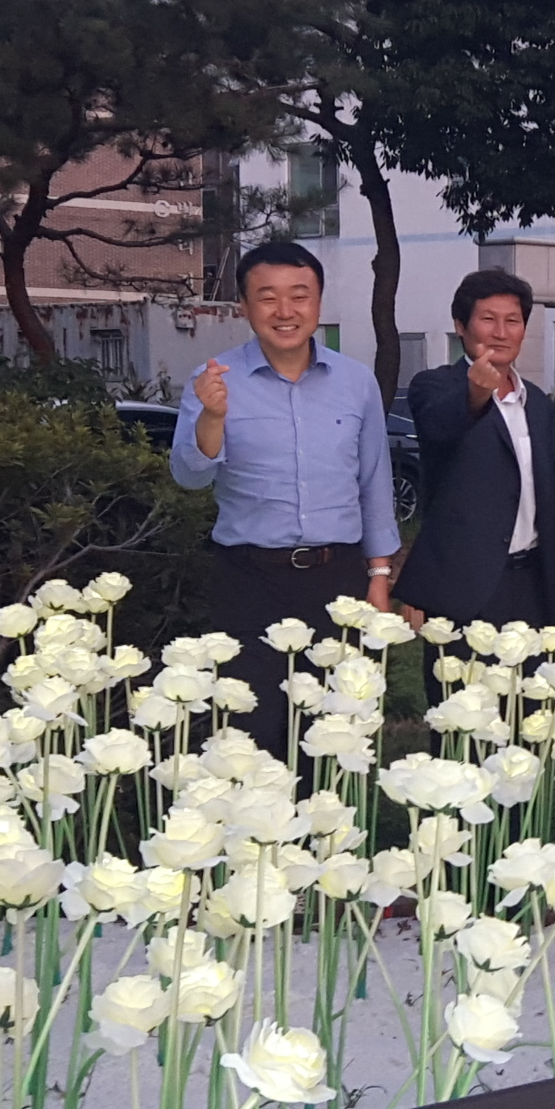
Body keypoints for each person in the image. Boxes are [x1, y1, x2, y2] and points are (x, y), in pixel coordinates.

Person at [170, 240, 402, 758]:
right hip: (250, 580)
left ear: (318, 302)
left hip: (337, 578)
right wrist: (212, 417)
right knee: (251, 733)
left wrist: (380, 574)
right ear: (244, 306)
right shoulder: (212, 382)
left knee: (335, 732)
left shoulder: (355, 382)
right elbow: (189, 477)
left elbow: (374, 481)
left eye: (299, 295)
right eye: (267, 297)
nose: (285, 311)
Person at [399, 269, 555, 626]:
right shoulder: (434, 386)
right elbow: (439, 426)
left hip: (532, 583)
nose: (501, 332)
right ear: (461, 326)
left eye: (512, 321)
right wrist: (477, 393)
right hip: (463, 587)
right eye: (488, 319)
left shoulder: (538, 404)